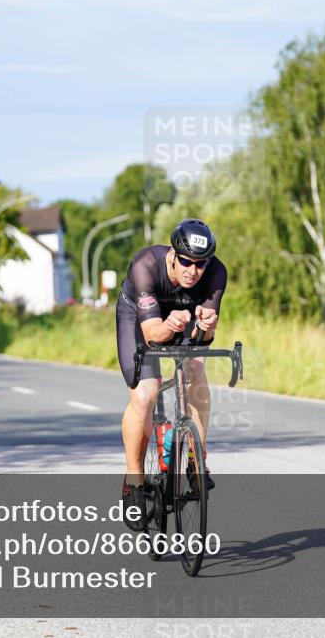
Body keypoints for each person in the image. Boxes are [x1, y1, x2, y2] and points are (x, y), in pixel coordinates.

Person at [115, 219, 226, 530]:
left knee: (196, 371)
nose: (193, 271)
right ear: (173, 256)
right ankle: (135, 480)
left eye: (201, 264)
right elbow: (152, 334)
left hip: (182, 314)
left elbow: (202, 341)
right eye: (186, 262)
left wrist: (208, 326)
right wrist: (170, 325)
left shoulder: (216, 273)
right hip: (139, 320)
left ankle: (196, 460)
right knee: (146, 392)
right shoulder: (145, 265)